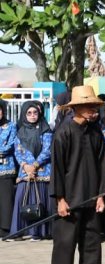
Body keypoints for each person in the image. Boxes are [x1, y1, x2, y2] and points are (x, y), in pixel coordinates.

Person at [49, 86, 105, 264]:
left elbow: (103, 164)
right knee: (63, 244)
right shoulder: (63, 133)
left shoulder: (96, 133)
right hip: (68, 200)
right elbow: (57, 169)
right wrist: (60, 199)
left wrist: (101, 196)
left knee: (91, 244)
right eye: (88, 106)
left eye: (94, 106)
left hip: (91, 199)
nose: (92, 110)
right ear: (76, 107)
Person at [10, 101, 53, 241]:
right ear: (24, 114)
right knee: (22, 198)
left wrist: (34, 165)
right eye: (29, 113)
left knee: (39, 199)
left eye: (35, 113)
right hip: (25, 171)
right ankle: (20, 231)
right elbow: (17, 151)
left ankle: (38, 232)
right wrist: (25, 166)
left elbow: (47, 150)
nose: (33, 116)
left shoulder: (45, 129)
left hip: (41, 170)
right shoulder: (20, 131)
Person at [0, 99, 18, 239]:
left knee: (6, 199)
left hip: (6, 167)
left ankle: (7, 229)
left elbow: (11, 144)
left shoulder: (11, 125)